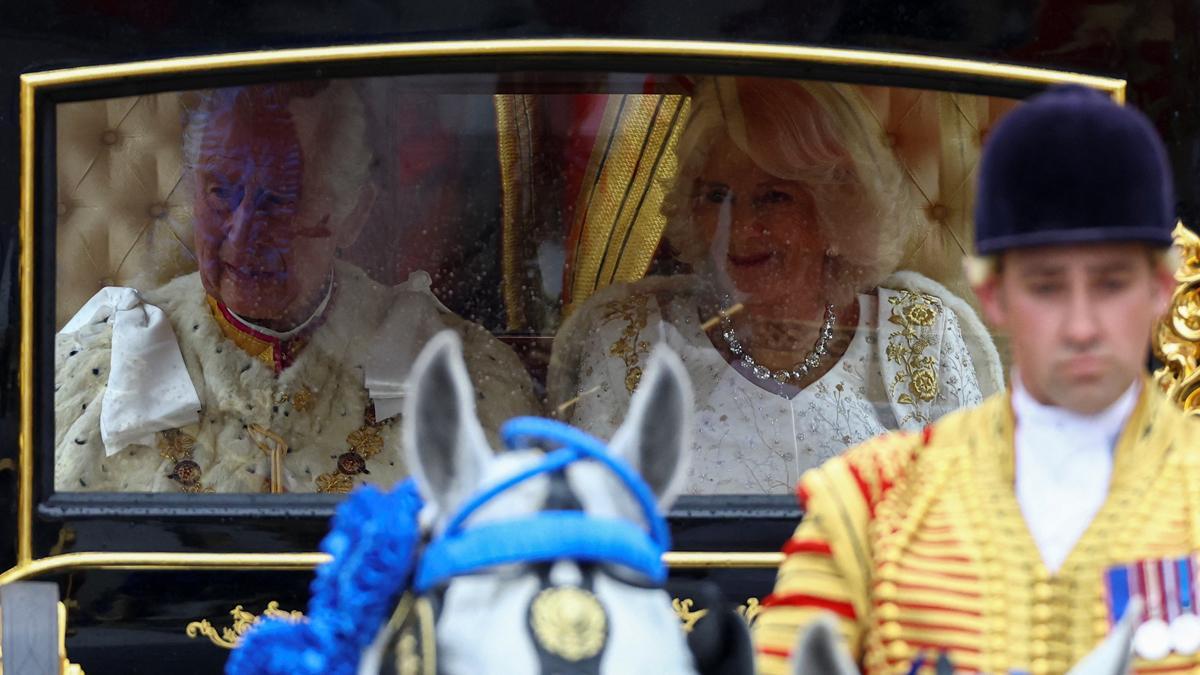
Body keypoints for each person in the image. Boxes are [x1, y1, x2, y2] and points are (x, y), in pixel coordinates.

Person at [753, 84, 1196, 674]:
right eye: (1047, 286)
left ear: (1161, 290)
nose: (1083, 325)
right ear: (993, 295)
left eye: (1112, 283)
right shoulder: (870, 499)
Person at [54, 81, 537, 494]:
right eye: (221, 191)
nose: (242, 237)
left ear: (355, 214)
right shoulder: (101, 367)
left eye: (280, 199)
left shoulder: (461, 375)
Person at [550, 77, 1001, 495]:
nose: (740, 228)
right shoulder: (629, 341)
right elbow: (599, 527)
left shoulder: (922, 336)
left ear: (836, 211)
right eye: (717, 197)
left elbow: (974, 525)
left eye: (774, 197)